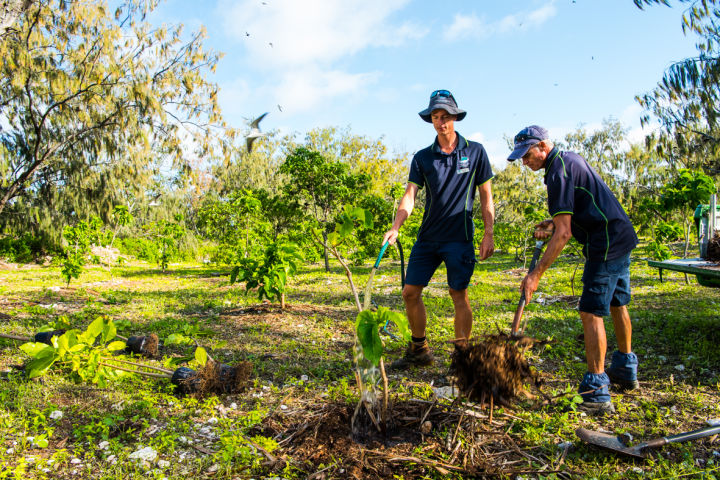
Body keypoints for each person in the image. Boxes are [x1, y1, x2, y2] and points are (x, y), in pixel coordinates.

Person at [508, 125, 639, 415]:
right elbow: (576, 211)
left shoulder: (558, 172)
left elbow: (564, 234)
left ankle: (596, 389)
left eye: (527, 154)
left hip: (605, 243)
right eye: (520, 157)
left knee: (591, 311)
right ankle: (626, 367)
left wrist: (535, 274)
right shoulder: (569, 160)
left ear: (542, 146)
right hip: (620, 235)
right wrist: (553, 223)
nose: (524, 161)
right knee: (617, 302)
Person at [382, 89, 495, 369]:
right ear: (430, 119)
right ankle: (419, 348)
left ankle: (461, 358)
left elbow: (486, 196)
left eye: (446, 116)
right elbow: (410, 195)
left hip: (460, 238)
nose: (441, 121)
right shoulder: (422, 158)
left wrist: (488, 232)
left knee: (459, 294)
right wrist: (396, 226)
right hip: (428, 238)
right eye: (436, 116)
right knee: (410, 292)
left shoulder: (475, 151)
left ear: (455, 117)